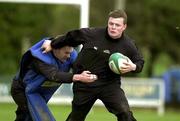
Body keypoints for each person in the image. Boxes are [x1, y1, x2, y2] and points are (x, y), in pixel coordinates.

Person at [43, 9, 144, 121]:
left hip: (109, 85)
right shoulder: (93, 34)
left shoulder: (128, 44)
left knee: (125, 113)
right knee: (76, 118)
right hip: (85, 82)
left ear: (124, 27)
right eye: (111, 24)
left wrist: (133, 67)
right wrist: (53, 44)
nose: (113, 27)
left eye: (117, 25)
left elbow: (139, 62)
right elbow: (70, 37)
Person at [11, 35, 97, 121]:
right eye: (66, 53)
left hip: (40, 92)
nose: (69, 56)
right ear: (55, 49)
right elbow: (54, 75)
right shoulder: (40, 58)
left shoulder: (70, 53)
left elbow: (80, 67)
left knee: (25, 117)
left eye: (70, 53)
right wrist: (77, 77)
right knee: (34, 116)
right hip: (21, 90)